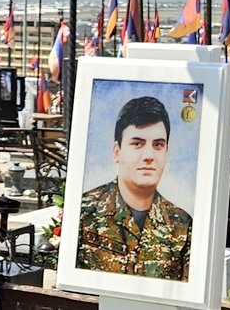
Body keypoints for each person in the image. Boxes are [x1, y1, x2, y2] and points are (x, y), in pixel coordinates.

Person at [77, 95, 191, 280]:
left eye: (158, 145)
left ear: (166, 152)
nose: (149, 156)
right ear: (117, 152)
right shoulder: (83, 211)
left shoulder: (182, 224)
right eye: (137, 144)